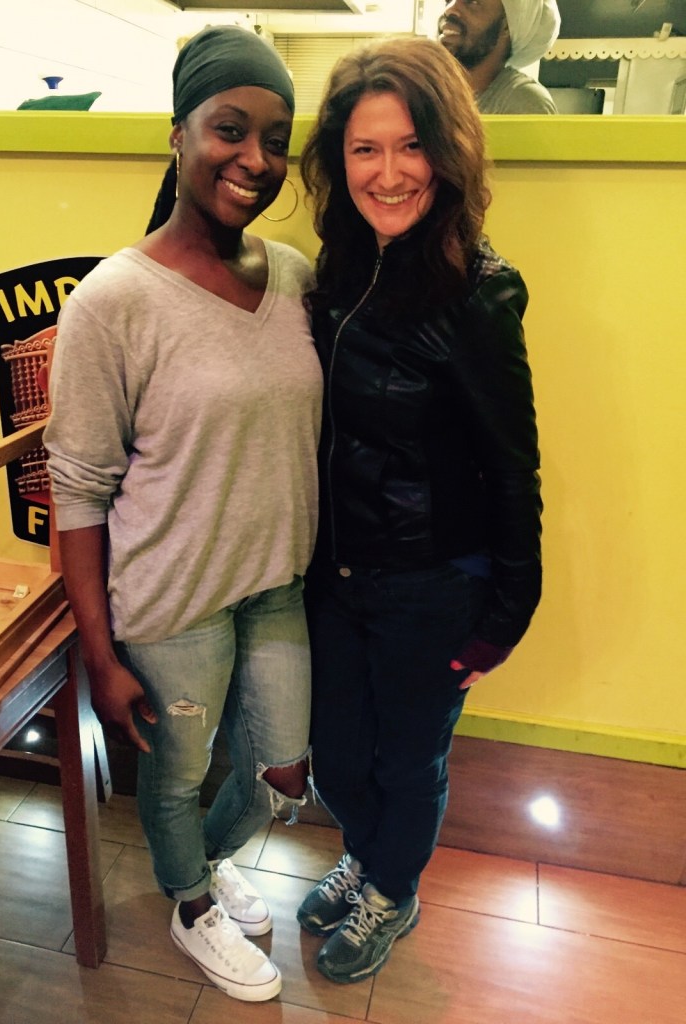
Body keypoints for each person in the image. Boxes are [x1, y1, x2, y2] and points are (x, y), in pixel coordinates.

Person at [43, 25, 322, 1003]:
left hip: (276, 587)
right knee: (174, 772)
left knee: (281, 769)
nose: (255, 159)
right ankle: (193, 903)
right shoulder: (112, 301)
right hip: (173, 605)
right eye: (229, 129)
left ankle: (202, 863)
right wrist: (101, 653)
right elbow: (77, 490)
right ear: (178, 135)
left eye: (276, 140)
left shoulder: (295, 278)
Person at [296, 37, 542, 984]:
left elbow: (512, 466)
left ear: (447, 152)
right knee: (336, 759)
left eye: (411, 146)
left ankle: (391, 888)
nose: (389, 173)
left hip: (433, 584)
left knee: (406, 764)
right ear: (339, 157)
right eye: (366, 149)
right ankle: (370, 856)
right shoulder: (340, 268)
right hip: (337, 574)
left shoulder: (480, 292)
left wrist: (507, 614)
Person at [438, 0, 560, 114]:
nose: (449, 10)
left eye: (473, 2)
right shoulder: (436, 93)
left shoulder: (524, 103)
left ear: (506, 26)